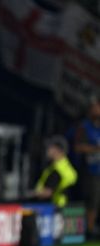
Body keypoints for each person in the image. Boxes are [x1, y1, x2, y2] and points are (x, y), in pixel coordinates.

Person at [74, 99, 100, 238]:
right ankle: (87, 231)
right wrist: (95, 149)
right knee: (92, 200)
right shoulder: (85, 127)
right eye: (95, 108)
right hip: (90, 171)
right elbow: (78, 147)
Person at [32, 136, 77, 208]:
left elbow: (47, 192)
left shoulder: (58, 170)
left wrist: (32, 193)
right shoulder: (66, 167)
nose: (47, 150)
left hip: (57, 209)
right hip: (69, 209)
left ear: (58, 150)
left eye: (50, 147)